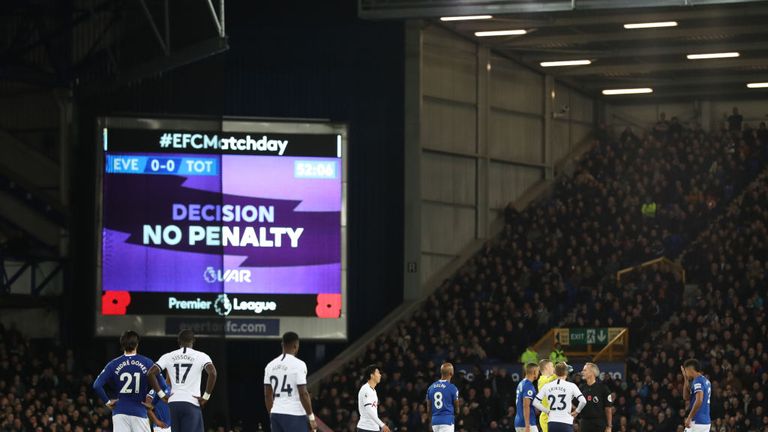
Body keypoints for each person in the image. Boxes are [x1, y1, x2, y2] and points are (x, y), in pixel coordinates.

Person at [93, 330, 169, 432]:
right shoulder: (147, 362)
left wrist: (107, 402)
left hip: (119, 412)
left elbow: (97, 385)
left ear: (122, 344)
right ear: (137, 344)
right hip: (140, 411)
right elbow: (163, 385)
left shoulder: (113, 364)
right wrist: (153, 404)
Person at [148, 329, 217, 432]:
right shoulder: (201, 356)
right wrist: (205, 397)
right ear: (193, 340)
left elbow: (151, 373)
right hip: (191, 403)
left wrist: (162, 395)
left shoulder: (168, 356)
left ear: (178, 341)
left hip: (174, 403)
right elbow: (213, 373)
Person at [263, 332, 317, 432]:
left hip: (276, 413)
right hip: (294, 414)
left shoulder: (270, 366)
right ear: (296, 346)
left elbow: (267, 395)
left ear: (282, 345)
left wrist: (272, 414)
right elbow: (303, 393)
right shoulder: (299, 365)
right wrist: (311, 417)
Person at [533, 362, 587, 432]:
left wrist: (547, 411)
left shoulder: (547, 386)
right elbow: (583, 401)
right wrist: (577, 411)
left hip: (552, 421)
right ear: (566, 373)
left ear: (555, 372)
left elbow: (535, 402)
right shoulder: (571, 385)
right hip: (565, 422)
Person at [578, 363, 613, 432]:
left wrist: (609, 426)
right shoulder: (581, 388)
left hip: (599, 424)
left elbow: (608, 408)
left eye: (585, 370)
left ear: (592, 373)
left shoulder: (603, 388)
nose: (582, 372)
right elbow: (575, 404)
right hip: (584, 423)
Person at [426, 363, 460, 432]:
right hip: (447, 421)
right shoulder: (452, 388)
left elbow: (429, 409)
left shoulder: (431, 387)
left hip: (435, 422)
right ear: (451, 373)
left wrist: (431, 420)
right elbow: (457, 410)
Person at [357, 365, 391, 432]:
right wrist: (382, 425)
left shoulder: (373, 391)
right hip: (366, 428)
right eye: (378, 373)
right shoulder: (365, 389)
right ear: (372, 375)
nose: (380, 375)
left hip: (374, 428)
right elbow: (369, 410)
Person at [682, 359, 711, 432]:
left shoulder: (697, 381)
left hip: (697, 421)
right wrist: (685, 379)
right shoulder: (706, 381)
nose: (686, 373)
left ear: (690, 370)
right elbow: (686, 397)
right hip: (705, 422)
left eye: (686, 371)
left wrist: (689, 417)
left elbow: (699, 400)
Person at [515, 363, 540, 432]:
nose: (538, 373)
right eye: (538, 371)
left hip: (518, 422)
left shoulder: (521, 383)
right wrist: (527, 425)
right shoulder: (529, 386)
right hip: (527, 424)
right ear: (534, 372)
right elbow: (526, 405)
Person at [538, 360, 557, 432]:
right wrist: (559, 371)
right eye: (552, 366)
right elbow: (550, 380)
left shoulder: (551, 379)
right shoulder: (542, 380)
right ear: (546, 367)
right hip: (546, 417)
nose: (553, 368)